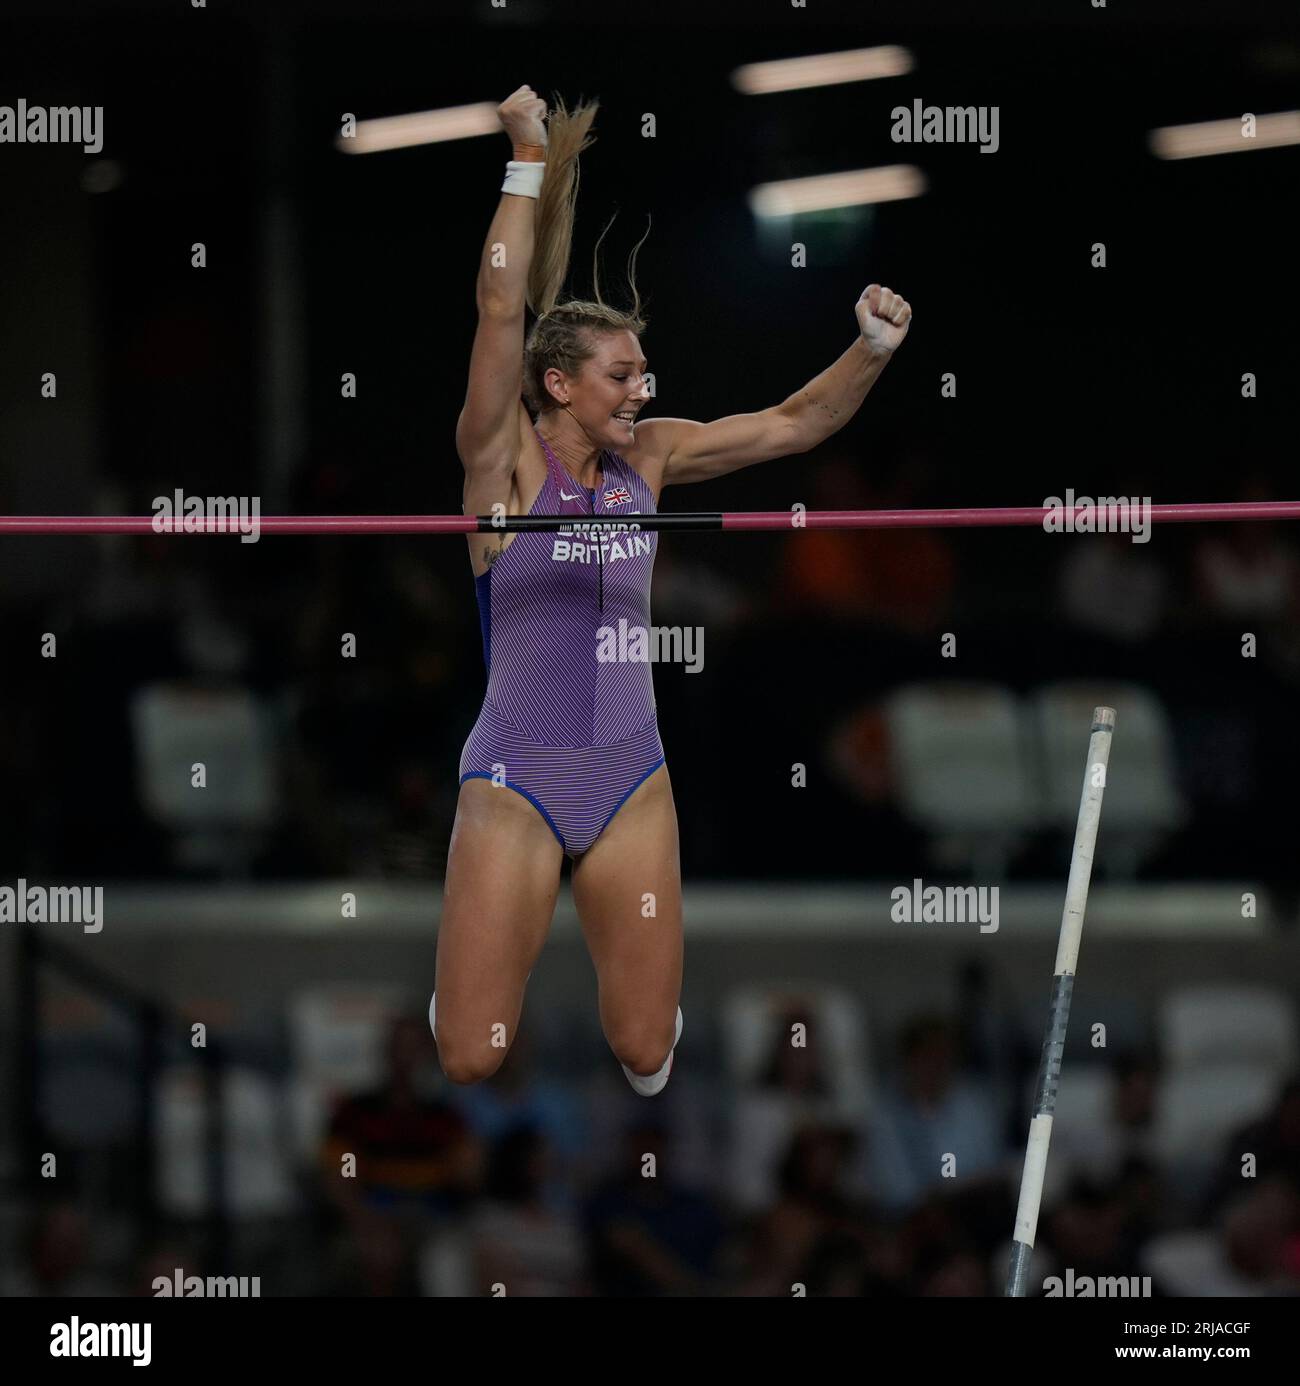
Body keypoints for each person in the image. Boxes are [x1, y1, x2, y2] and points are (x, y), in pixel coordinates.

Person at [431, 84, 912, 1096]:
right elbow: (497, 306)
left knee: (647, 1051)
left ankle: (644, 1013)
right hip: (517, 776)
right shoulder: (502, 465)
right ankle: (459, 995)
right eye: (622, 375)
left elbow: (792, 424)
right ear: (559, 384)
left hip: (630, 778)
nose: (644, 390)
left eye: (645, 372)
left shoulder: (648, 459)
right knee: (472, 1055)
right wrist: (525, 157)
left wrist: (868, 349)